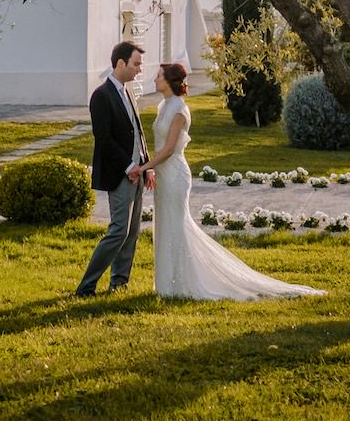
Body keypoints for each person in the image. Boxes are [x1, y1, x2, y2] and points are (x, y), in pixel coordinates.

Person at [142, 61, 322, 301]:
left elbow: (168, 150)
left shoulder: (178, 111)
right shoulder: (162, 105)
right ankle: (167, 283)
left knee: (177, 225)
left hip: (175, 174)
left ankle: (183, 283)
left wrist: (144, 168)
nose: (155, 79)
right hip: (163, 175)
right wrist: (153, 170)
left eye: (158, 76)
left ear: (169, 81)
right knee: (164, 225)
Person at [75, 40, 150, 296]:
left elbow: (138, 131)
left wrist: (145, 165)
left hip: (138, 172)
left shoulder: (128, 92)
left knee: (132, 233)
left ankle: (119, 282)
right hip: (119, 174)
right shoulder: (101, 96)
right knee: (118, 230)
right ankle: (86, 286)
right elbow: (103, 138)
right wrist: (128, 166)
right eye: (136, 64)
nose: (140, 69)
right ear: (121, 63)